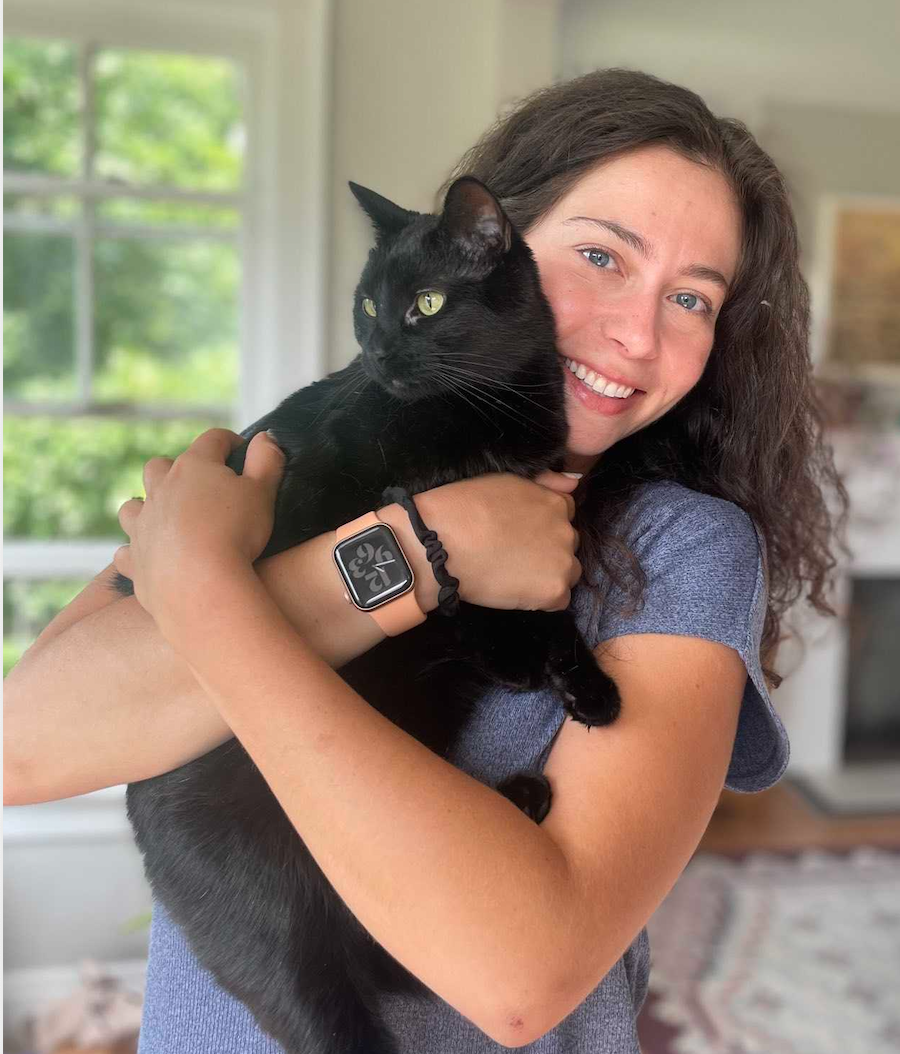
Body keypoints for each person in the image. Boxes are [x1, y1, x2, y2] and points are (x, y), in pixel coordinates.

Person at [4, 68, 848, 1052]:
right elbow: (23, 745)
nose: (635, 332)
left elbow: (521, 978)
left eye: (692, 298)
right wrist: (419, 551)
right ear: (501, 244)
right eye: (600, 256)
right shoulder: (309, 434)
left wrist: (208, 591)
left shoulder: (686, 548)